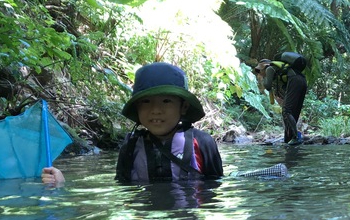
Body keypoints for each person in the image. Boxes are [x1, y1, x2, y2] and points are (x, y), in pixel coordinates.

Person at [42, 62, 223, 184]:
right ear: (136, 108)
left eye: (166, 101)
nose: (155, 110)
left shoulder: (203, 143)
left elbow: (215, 189)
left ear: (183, 107)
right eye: (146, 102)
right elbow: (121, 188)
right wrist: (62, 184)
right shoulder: (131, 147)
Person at [254, 52, 308, 146]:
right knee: (293, 112)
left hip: (294, 81)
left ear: (263, 66)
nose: (260, 72)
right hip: (302, 81)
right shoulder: (281, 70)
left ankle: (296, 137)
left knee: (286, 111)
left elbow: (267, 86)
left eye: (259, 70)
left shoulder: (270, 68)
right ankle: (289, 138)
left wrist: (264, 78)